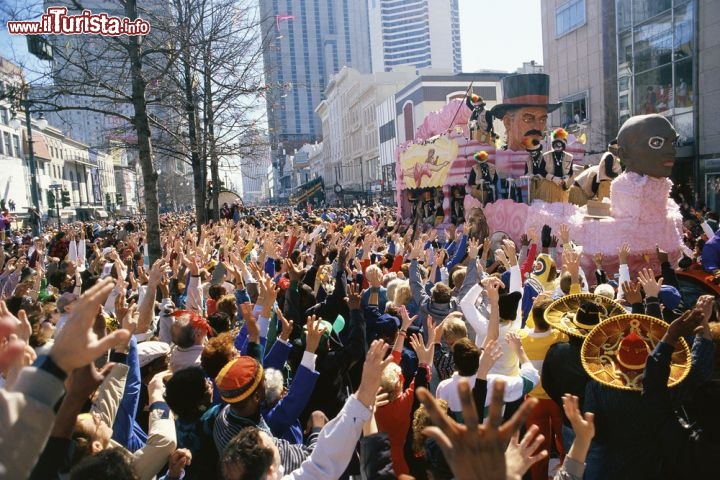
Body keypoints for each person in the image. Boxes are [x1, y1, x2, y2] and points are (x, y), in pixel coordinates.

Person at [218, 340, 393, 480]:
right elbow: (317, 461)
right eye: (274, 443)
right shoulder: (270, 436)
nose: (278, 443)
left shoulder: (223, 417)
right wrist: (317, 429)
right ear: (271, 471)